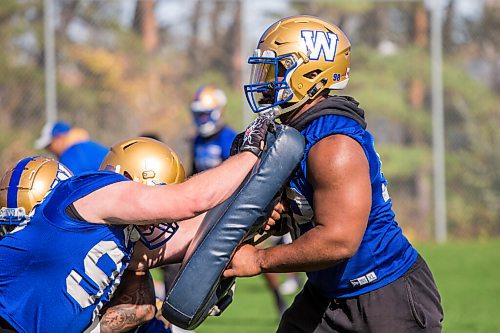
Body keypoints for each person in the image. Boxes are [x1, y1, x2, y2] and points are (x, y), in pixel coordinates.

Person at [224, 15, 444, 332]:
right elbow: (311, 208)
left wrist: (259, 260)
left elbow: (338, 240)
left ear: (310, 73)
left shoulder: (333, 145)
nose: (267, 79)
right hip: (327, 293)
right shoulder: (294, 132)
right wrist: (282, 216)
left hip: (385, 295)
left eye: (277, 69)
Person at [0, 116, 272, 333]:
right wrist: (251, 154)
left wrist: (262, 218)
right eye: (158, 193)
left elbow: (194, 235)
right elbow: (191, 200)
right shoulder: (94, 191)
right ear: (131, 180)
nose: (160, 219)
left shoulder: (114, 234)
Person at [190, 85, 237, 173]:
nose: (202, 119)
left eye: (205, 114)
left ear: (217, 112)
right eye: (199, 115)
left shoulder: (228, 137)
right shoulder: (198, 140)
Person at [35, 121, 109, 175]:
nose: (49, 150)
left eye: (49, 146)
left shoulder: (69, 156)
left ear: (59, 138)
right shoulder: (89, 146)